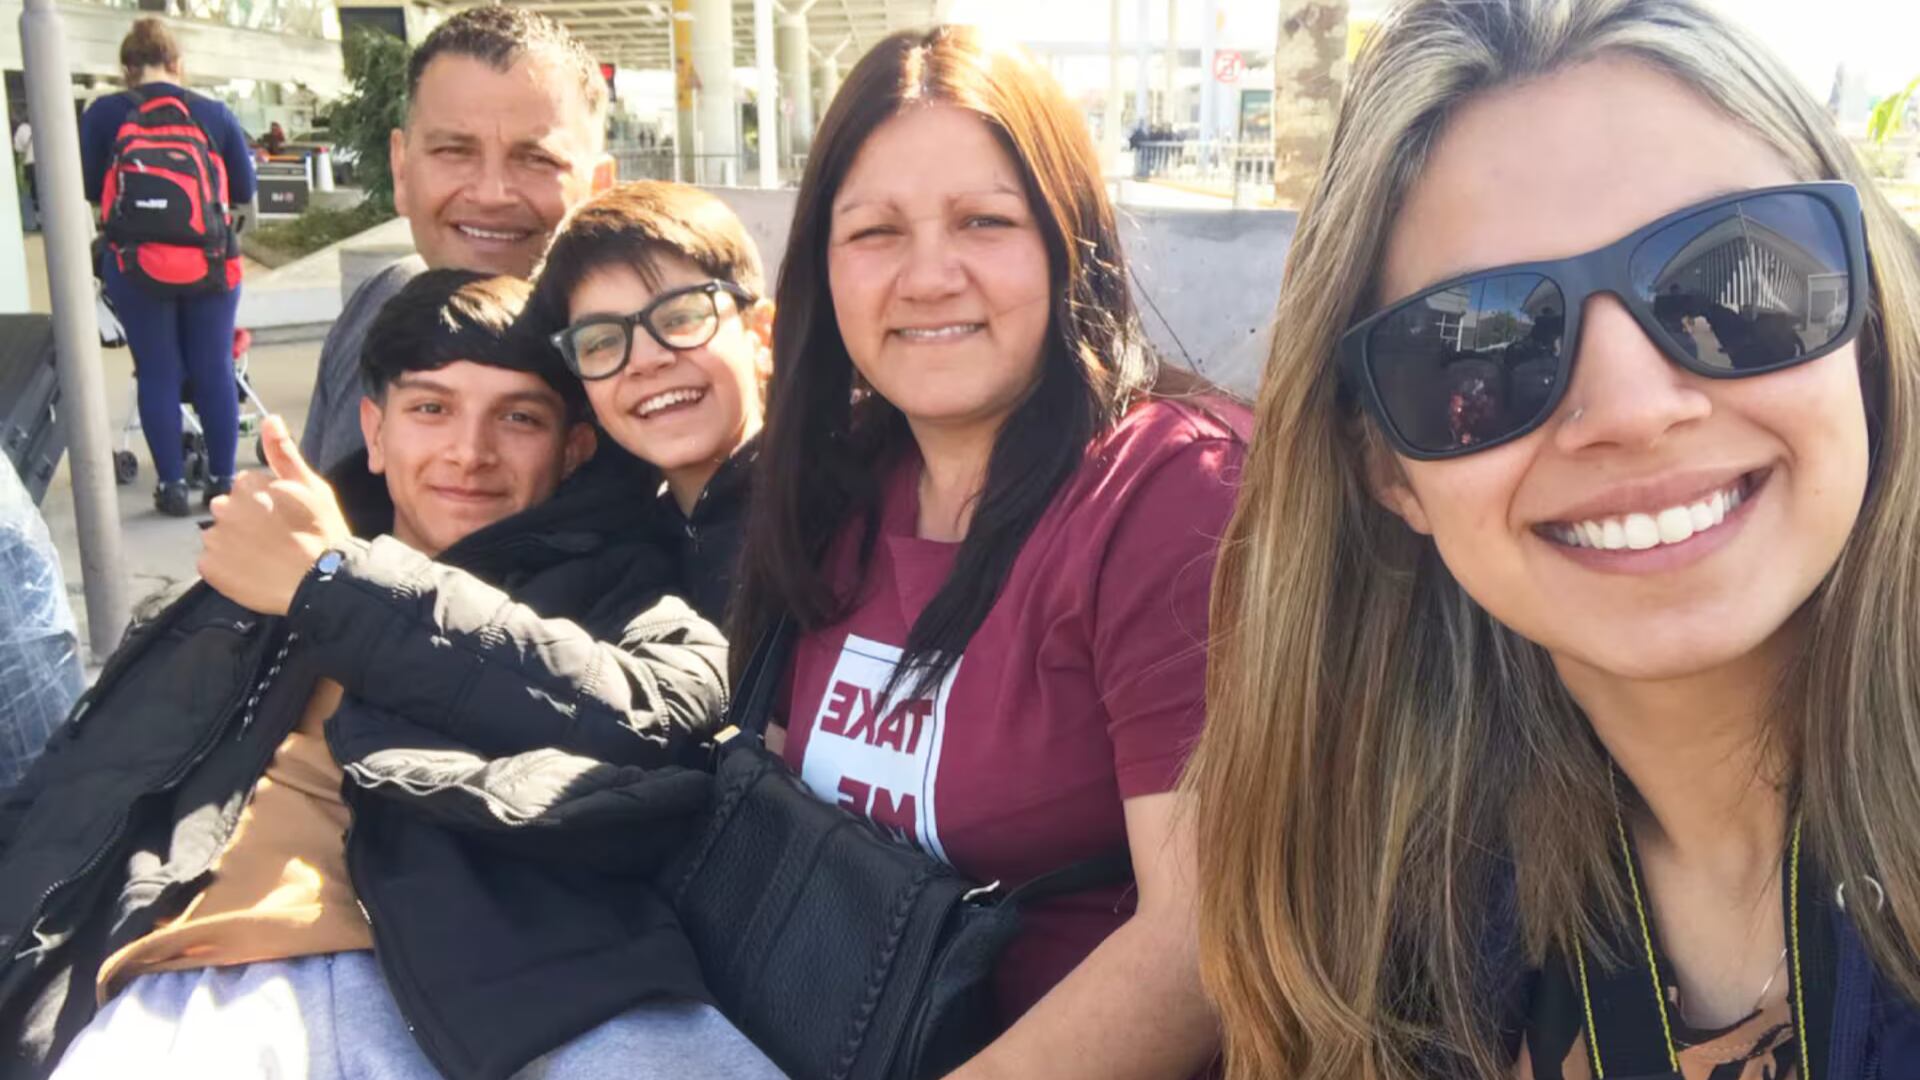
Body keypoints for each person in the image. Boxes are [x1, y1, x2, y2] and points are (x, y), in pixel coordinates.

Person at [1185, 1, 1920, 1077]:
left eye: (1733, 281)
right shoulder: (1390, 908)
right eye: (1484, 349)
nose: (1632, 409)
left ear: (1866, 321)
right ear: (1385, 468)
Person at [0, 270, 781, 1079]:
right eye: (431, 409)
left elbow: (661, 715)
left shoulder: (617, 584)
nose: (469, 453)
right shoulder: (257, 575)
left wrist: (339, 586)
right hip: (217, 974)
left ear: (573, 448)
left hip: (537, 983)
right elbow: (83, 781)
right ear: (374, 431)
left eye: (518, 417)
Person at [729, 26, 1247, 1079]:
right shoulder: (837, 486)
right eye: (875, 232)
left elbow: (1201, 945)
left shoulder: (1169, 492)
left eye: (985, 222)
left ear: (1068, 242)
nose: (929, 276)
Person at [298, 6, 615, 475]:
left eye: (536, 159)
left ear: (599, 188)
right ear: (401, 169)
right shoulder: (378, 303)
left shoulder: (646, 369)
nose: (491, 194)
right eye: (453, 151)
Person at [532, 179, 773, 623]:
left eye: (681, 317)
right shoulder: (607, 559)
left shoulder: (853, 514)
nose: (645, 361)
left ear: (761, 334)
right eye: (601, 340)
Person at [80, 17, 256, 517]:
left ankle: (172, 487)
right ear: (177, 63)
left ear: (126, 69)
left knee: (157, 370)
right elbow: (244, 189)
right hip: (211, 262)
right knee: (214, 366)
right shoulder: (213, 113)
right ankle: (222, 482)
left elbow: (90, 187)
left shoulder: (103, 115)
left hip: (136, 265)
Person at [11, 116, 35, 231]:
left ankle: (32, 221)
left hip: (29, 163)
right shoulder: (39, 126)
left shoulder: (21, 129)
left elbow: (17, 148)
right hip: (44, 164)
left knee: (30, 192)